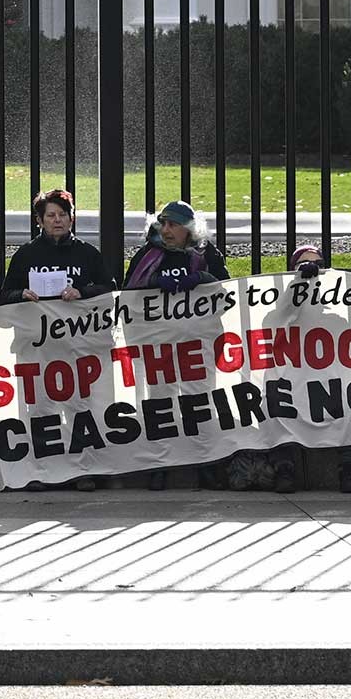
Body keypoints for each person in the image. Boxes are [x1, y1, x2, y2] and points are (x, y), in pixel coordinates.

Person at [3, 186, 111, 492]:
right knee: (39, 409)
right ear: (40, 220)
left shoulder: (87, 254)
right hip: (36, 346)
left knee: (79, 406)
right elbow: (3, 295)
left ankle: (82, 469)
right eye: (51, 215)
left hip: (76, 347)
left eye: (64, 214)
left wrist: (82, 292)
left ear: (72, 218)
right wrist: (21, 295)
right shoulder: (27, 255)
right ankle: (43, 469)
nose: (58, 220)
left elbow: (109, 288)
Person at [123, 202, 229, 490]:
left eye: (173, 225)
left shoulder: (207, 255)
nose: (166, 231)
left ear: (190, 229)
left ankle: (206, 462)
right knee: (160, 402)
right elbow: (128, 294)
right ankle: (160, 463)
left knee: (200, 401)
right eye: (163, 224)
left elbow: (227, 290)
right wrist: (155, 283)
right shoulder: (148, 255)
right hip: (158, 346)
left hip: (196, 347)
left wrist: (202, 278)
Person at [269, 239, 351, 495]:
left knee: (350, 407)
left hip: (328, 383)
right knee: (276, 408)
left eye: (317, 265)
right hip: (294, 381)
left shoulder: (337, 307)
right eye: (304, 265)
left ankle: (350, 469)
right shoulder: (279, 301)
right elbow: (277, 318)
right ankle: (284, 469)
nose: (311, 269)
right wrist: (299, 283)